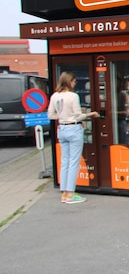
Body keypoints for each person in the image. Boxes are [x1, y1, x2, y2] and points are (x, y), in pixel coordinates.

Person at [47, 72, 99, 204]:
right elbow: (78, 115)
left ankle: (64, 193)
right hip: (73, 129)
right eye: (74, 81)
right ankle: (70, 194)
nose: (75, 84)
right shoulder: (73, 96)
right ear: (69, 82)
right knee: (74, 162)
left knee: (65, 162)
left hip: (62, 129)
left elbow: (51, 115)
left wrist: (62, 117)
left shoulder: (54, 96)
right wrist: (91, 114)